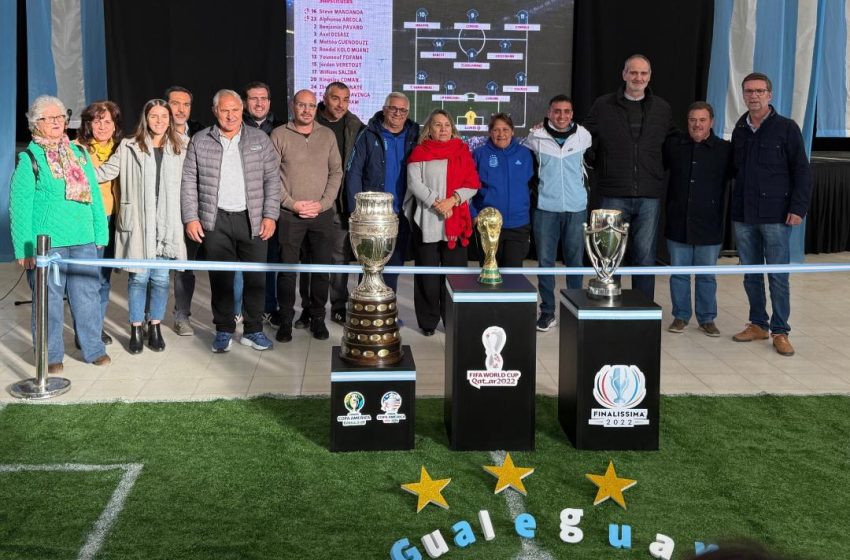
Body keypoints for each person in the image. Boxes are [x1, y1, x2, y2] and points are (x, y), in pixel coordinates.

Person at [9, 95, 111, 371]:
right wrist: (24, 248)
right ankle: (51, 355)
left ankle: (93, 348)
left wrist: (101, 233)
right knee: (49, 302)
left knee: (88, 296)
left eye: (60, 117)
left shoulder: (79, 153)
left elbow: (95, 198)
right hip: (46, 245)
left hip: (84, 239)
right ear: (35, 124)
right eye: (49, 118)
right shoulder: (29, 158)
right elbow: (20, 206)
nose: (56, 122)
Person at [181, 89, 281, 353]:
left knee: (256, 279)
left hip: (254, 219)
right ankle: (223, 330)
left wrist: (271, 214)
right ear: (215, 111)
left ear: (242, 111)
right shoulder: (200, 141)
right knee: (221, 279)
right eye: (225, 110)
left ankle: (253, 330)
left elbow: (273, 179)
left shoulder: (259, 139)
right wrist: (191, 218)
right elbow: (189, 182)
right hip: (216, 221)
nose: (230, 115)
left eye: (235, 110)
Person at [96, 99, 187, 354]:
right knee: (139, 276)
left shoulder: (181, 146)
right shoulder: (128, 145)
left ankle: (154, 325)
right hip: (138, 221)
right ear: (145, 119)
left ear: (170, 119)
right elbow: (106, 172)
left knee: (160, 278)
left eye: (164, 116)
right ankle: (136, 327)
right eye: (154, 116)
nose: (159, 121)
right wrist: (75, 171)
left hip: (167, 221)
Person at [730, 72, 811, 357]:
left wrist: (798, 208)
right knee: (750, 274)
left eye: (759, 91)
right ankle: (758, 324)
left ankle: (780, 330)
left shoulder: (787, 128)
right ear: (743, 95)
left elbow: (802, 170)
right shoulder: (740, 129)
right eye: (749, 91)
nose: (754, 96)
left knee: (777, 276)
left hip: (777, 215)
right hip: (744, 215)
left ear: (770, 95)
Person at [584, 54, 676, 301]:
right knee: (610, 255)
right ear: (623, 74)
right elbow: (583, 138)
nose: (638, 78)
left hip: (649, 194)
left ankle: (643, 307)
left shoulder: (662, 108)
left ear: (649, 77)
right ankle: (609, 301)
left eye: (643, 73)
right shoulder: (603, 106)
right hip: (613, 193)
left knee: (645, 256)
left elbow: (671, 146)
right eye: (633, 72)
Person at [270, 89, 343, 342]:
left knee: (321, 270)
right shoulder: (279, 135)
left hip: (322, 215)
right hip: (290, 214)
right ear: (293, 106)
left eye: (311, 106)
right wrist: (292, 204)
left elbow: (336, 172)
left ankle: (317, 318)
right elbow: (271, 176)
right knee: (289, 271)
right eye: (301, 105)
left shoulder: (328, 135)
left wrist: (323, 204)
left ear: (316, 108)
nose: (306, 110)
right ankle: (286, 321)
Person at [404, 109, 480, 336]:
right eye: (438, 125)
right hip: (427, 218)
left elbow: (472, 183)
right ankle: (427, 322)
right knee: (427, 274)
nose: (443, 129)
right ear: (430, 129)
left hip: (454, 221)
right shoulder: (420, 152)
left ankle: (452, 320)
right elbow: (414, 183)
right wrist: (437, 203)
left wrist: (453, 200)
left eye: (447, 125)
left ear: (452, 128)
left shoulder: (462, 151)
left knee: (455, 275)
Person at [294, 81, 364, 329]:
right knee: (309, 258)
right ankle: (308, 310)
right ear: (324, 98)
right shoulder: (310, 122)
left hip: (341, 202)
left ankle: (337, 307)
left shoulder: (355, 126)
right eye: (335, 98)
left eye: (345, 99)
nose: (341, 104)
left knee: (338, 258)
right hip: (311, 202)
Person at [664, 101, 732, 337]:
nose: (697, 124)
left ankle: (706, 319)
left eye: (702, 120)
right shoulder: (674, 146)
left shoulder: (724, 150)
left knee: (706, 276)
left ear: (711, 122)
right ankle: (681, 316)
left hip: (709, 223)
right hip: (677, 222)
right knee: (679, 274)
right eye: (693, 120)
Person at [525, 96, 593, 331]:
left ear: (572, 113)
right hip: (546, 209)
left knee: (575, 262)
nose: (562, 116)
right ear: (549, 112)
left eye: (566, 111)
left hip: (576, 208)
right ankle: (547, 312)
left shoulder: (584, 136)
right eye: (557, 111)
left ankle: (574, 309)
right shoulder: (535, 137)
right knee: (545, 263)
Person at [346, 91, 420, 298]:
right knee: (370, 265)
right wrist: (357, 211)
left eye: (402, 110)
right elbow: (354, 173)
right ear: (385, 109)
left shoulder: (415, 136)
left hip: (401, 213)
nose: (397, 113)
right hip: (373, 216)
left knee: (394, 265)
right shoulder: (368, 134)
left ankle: (388, 308)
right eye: (393, 108)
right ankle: (366, 307)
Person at [75, 100, 123, 346]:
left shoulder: (123, 149)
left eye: (108, 121)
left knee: (104, 279)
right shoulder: (75, 149)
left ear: (115, 125)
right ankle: (85, 331)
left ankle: (96, 328)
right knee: (87, 280)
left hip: (114, 220)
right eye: (97, 121)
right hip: (88, 220)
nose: (102, 126)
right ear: (88, 123)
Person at [242, 81, 284, 328]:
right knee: (240, 263)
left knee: (270, 260)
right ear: (245, 102)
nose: (259, 103)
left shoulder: (281, 128)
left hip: (272, 204)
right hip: (241, 205)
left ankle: (269, 307)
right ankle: (239, 310)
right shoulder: (235, 127)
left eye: (264, 99)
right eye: (254, 98)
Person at [471, 113, 534, 270]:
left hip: (518, 225)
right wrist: (473, 214)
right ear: (490, 132)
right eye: (496, 130)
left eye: (505, 129)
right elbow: (468, 187)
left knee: (513, 277)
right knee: (489, 275)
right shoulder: (479, 154)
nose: (501, 134)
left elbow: (532, 185)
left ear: (512, 131)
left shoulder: (525, 154)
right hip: (488, 225)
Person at [166, 85, 204, 336]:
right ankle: (150, 319)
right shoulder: (155, 133)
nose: (180, 109)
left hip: (194, 210)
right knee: (155, 270)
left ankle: (182, 315)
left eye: (186, 104)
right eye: (175, 103)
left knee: (185, 267)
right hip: (164, 209)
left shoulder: (202, 133)